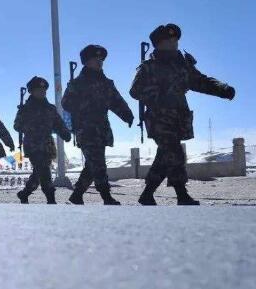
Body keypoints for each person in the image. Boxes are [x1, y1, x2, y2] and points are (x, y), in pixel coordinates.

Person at [130, 23, 235, 205]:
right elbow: (135, 90)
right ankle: (181, 195)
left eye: (175, 39)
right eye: (169, 39)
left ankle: (147, 195)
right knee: (174, 152)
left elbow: (200, 81)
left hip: (178, 116)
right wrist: (160, 95)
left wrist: (222, 89)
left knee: (165, 155)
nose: (174, 42)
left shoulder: (182, 65)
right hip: (159, 118)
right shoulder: (149, 67)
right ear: (159, 43)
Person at [62, 45, 134, 205]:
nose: (99, 62)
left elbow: (116, 101)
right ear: (86, 62)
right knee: (98, 163)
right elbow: (66, 103)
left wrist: (127, 114)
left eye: (101, 60)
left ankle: (77, 194)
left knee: (92, 164)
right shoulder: (77, 83)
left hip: (101, 129)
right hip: (85, 129)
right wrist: (84, 104)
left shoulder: (106, 83)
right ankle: (106, 196)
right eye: (95, 59)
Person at [14, 76, 71, 204]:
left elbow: (58, 123)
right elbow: (17, 125)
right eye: (39, 89)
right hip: (33, 145)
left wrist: (65, 133)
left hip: (47, 145)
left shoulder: (50, 108)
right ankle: (51, 199)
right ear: (32, 91)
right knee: (44, 170)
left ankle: (24, 193)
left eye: (44, 89)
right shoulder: (26, 109)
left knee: (38, 173)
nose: (42, 91)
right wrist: (31, 127)